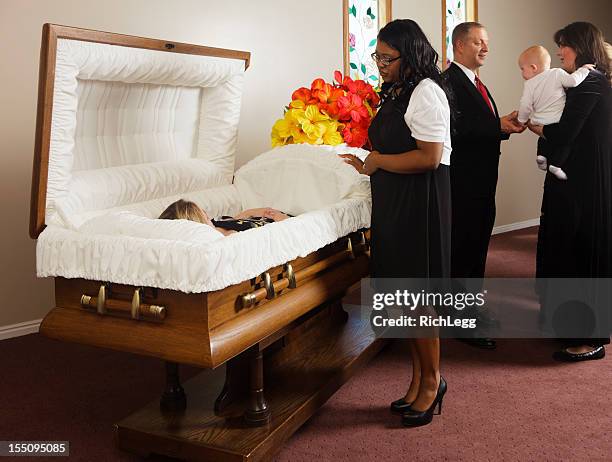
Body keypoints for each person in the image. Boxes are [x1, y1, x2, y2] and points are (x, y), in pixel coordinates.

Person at [341, 19, 452, 428]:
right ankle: (418, 377)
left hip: (419, 203)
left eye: (387, 58)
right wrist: (364, 163)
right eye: (377, 57)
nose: (380, 64)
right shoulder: (397, 92)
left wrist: (377, 163)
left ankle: (433, 380)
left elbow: (429, 157)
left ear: (411, 55)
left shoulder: (427, 92)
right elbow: (391, 146)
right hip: (394, 199)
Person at [527, 22, 611, 362]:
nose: (560, 51)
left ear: (581, 47)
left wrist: (535, 125)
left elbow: (564, 134)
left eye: (564, 46)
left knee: (579, 254)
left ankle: (589, 338)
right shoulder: (586, 83)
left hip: (584, 184)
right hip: (574, 179)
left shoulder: (591, 84)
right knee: (563, 248)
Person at [443, 22, 525, 349]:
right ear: (460, 45)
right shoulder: (447, 82)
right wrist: (496, 124)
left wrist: (503, 125)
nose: (486, 48)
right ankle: (461, 320)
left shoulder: (477, 83)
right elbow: (452, 128)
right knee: (462, 252)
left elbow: (479, 125)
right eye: (479, 42)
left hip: (482, 186)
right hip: (462, 186)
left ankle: (471, 308)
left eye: (487, 42)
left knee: (476, 251)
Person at [517, 45, 593, 180]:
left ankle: (541, 156)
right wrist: (584, 70)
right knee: (564, 143)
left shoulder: (529, 85)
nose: (522, 73)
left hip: (539, 120)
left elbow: (525, 105)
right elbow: (573, 81)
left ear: (534, 68)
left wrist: (521, 120)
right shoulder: (557, 73)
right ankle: (556, 165)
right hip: (558, 119)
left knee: (544, 137)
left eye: (522, 69)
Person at [159, 199, 290, 235]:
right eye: (202, 212)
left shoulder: (216, 221)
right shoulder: (226, 238)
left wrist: (255, 212)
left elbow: (237, 219)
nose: (206, 212)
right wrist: (282, 221)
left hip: (267, 216)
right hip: (281, 225)